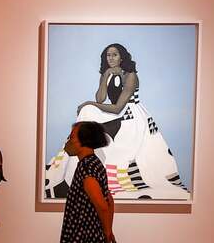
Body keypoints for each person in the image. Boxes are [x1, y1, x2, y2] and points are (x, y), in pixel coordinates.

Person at [45, 43, 188, 200]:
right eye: (108, 55)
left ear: (122, 57)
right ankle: (72, 165)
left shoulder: (130, 76)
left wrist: (89, 103)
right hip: (115, 113)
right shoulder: (107, 73)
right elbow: (100, 99)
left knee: (88, 108)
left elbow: (118, 108)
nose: (111, 58)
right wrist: (105, 76)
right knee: (87, 112)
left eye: (115, 54)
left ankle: (86, 160)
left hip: (130, 115)